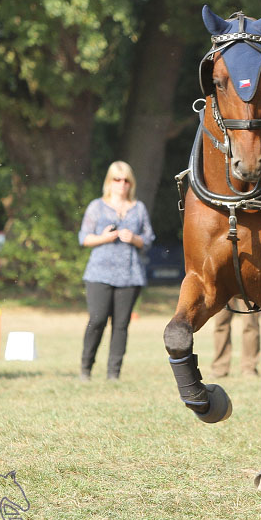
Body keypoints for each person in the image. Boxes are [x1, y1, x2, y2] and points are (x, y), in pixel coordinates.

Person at [78, 161, 155, 381]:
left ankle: (114, 372)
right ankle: (86, 367)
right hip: (99, 274)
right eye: (117, 179)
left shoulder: (138, 208)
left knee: (121, 325)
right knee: (98, 319)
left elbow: (149, 239)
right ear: (109, 182)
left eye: (126, 180)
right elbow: (84, 238)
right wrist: (105, 237)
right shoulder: (97, 206)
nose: (122, 184)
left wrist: (135, 239)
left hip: (130, 274)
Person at [209, 298, 261, 378]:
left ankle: (249, 368)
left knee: (250, 324)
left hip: (248, 286)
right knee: (220, 324)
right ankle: (219, 368)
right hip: (224, 286)